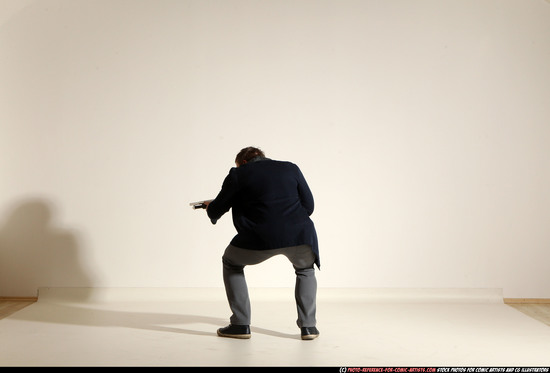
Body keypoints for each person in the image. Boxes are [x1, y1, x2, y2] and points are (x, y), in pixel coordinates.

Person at [204, 146, 320, 340]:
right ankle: (309, 328)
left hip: (259, 237)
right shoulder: (291, 168)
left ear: (242, 162)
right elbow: (309, 205)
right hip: (300, 234)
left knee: (231, 262)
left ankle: (240, 324)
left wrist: (211, 206)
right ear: (263, 157)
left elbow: (217, 210)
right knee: (305, 270)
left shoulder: (238, 174)